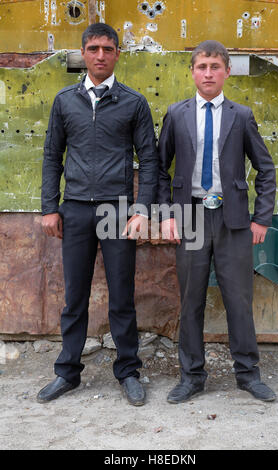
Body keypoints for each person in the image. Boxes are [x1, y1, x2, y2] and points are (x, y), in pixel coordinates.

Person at [38, 23, 158, 406]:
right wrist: (49, 208)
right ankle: (67, 372)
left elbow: (151, 161)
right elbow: (52, 157)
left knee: (121, 297)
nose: (101, 55)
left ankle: (128, 371)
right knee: (75, 297)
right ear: (83, 53)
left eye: (108, 49)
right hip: (74, 210)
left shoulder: (133, 103)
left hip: (117, 211)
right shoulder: (65, 101)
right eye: (93, 49)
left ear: (118, 53)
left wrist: (141, 210)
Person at [158, 40, 277, 403]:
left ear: (226, 71)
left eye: (214, 66)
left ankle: (248, 374)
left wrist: (261, 219)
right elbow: (160, 169)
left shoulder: (240, 116)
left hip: (234, 220)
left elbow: (266, 169)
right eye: (201, 67)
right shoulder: (176, 114)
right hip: (190, 216)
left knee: (238, 299)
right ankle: (192, 376)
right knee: (191, 298)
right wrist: (165, 215)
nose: (208, 73)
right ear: (192, 72)